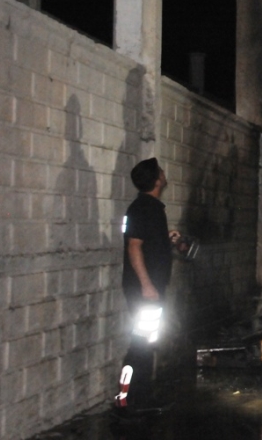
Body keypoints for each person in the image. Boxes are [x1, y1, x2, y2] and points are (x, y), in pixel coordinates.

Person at [114, 158, 185, 418]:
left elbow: (145, 242)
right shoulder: (144, 208)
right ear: (157, 180)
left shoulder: (150, 208)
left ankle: (138, 398)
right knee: (140, 345)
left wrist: (166, 239)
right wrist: (146, 285)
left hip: (150, 290)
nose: (165, 174)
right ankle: (129, 401)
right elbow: (134, 246)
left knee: (145, 343)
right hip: (145, 291)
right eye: (161, 171)